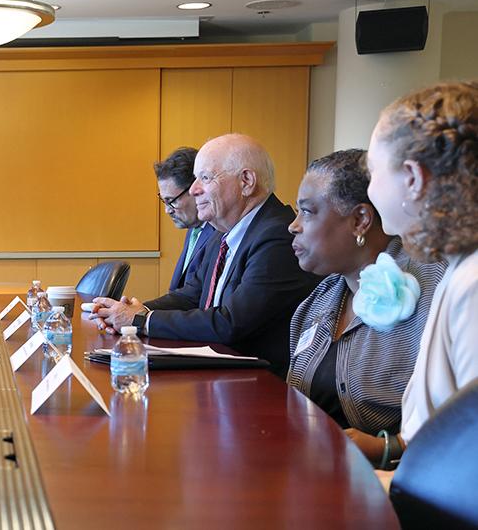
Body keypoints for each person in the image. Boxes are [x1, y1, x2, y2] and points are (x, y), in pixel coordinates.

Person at [91, 134, 322, 376]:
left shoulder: (277, 236)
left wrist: (140, 321)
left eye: (205, 178)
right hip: (219, 375)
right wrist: (132, 311)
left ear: (246, 181)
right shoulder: (221, 232)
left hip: (258, 384)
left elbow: (230, 323)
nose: (193, 190)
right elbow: (191, 296)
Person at [285, 149, 444, 456]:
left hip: (395, 477)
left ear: (360, 220)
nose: (294, 225)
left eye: (307, 211)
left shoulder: (433, 287)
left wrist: (386, 448)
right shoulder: (320, 299)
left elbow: (458, 417)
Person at [361, 80, 478, 464]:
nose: (370, 191)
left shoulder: (473, 282)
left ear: (412, 178)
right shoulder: (458, 267)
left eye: (373, 172)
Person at [155, 146, 218, 292]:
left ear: (196, 190)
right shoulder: (194, 229)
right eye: (164, 201)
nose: (167, 210)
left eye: (172, 201)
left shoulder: (219, 233)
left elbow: (196, 296)